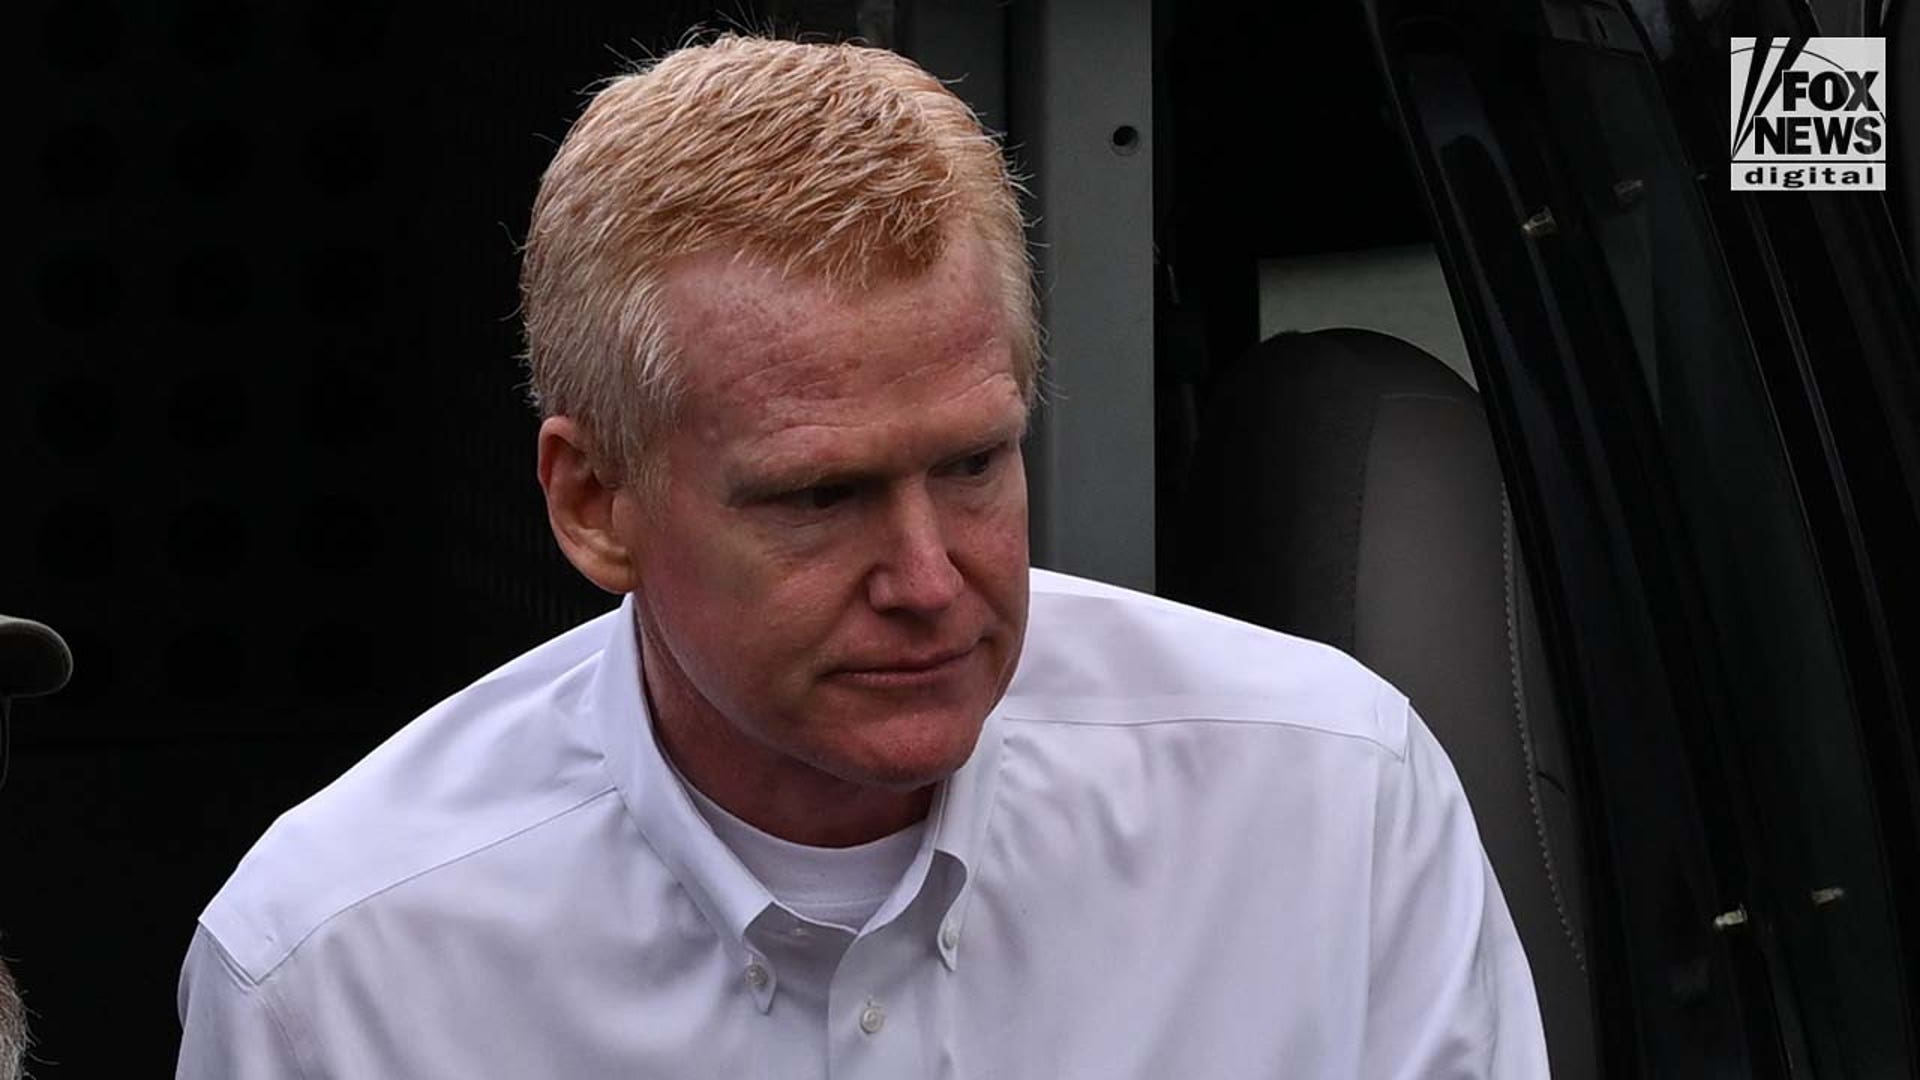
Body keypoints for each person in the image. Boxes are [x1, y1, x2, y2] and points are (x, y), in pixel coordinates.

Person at [176, 35, 1547, 1077]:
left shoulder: (1329, 806)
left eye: (971, 465)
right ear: (594, 501)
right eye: (819, 497)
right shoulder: (339, 971)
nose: (931, 578)